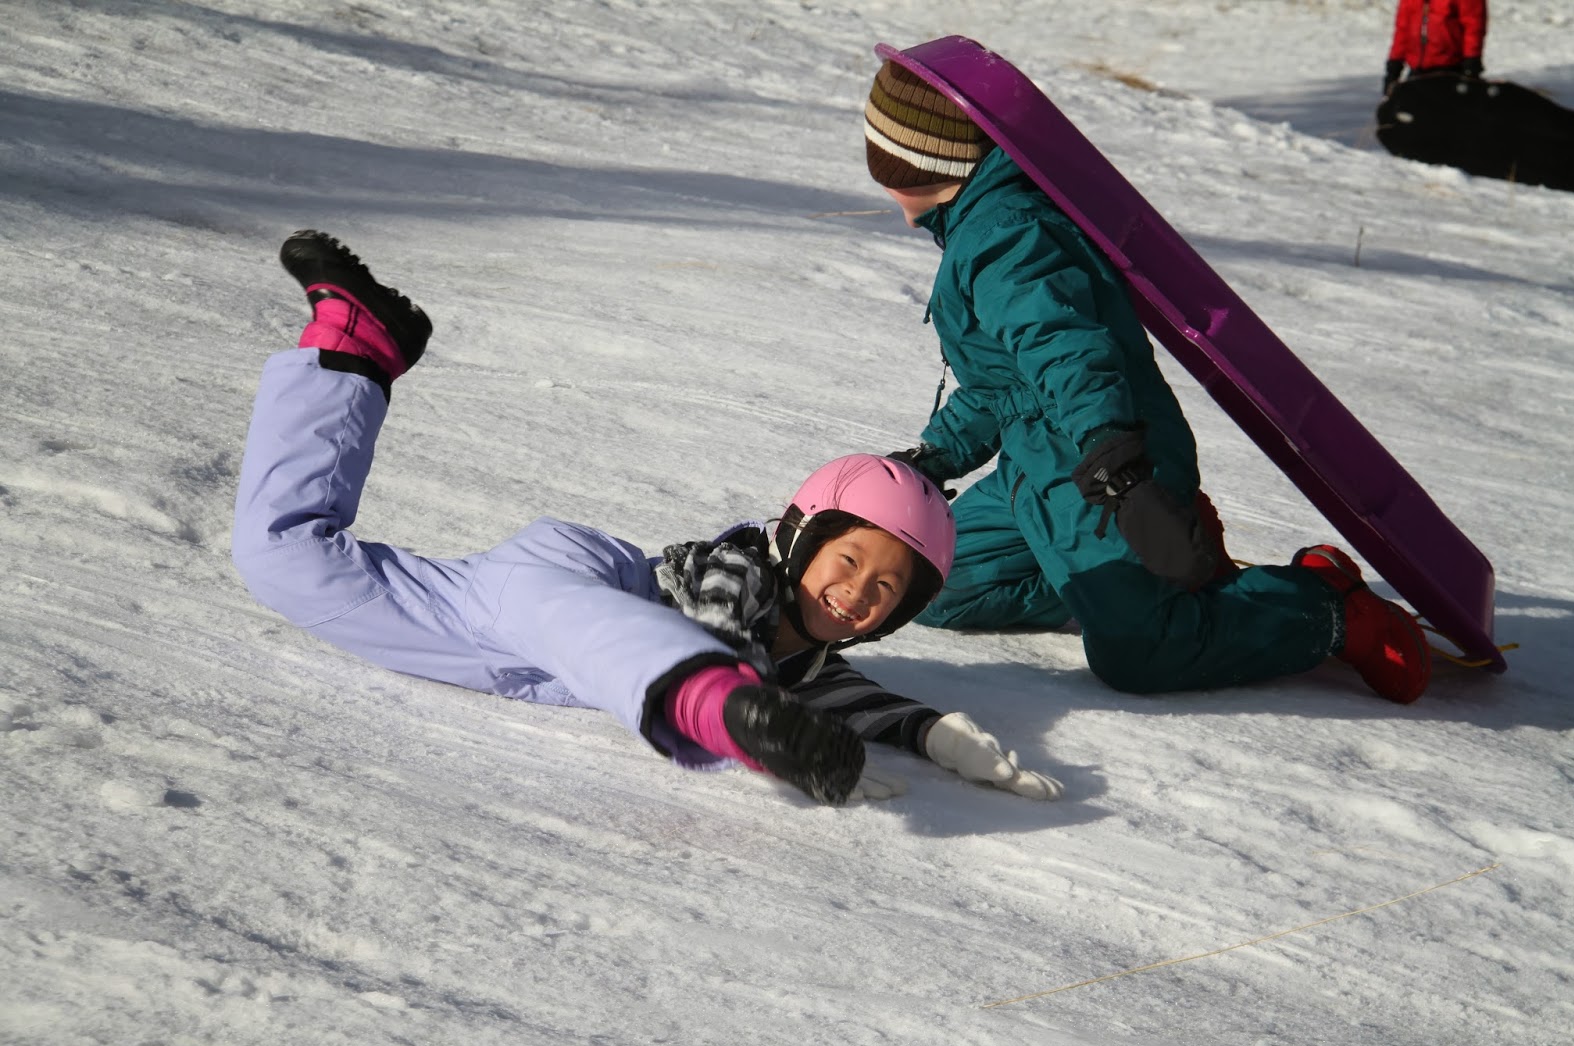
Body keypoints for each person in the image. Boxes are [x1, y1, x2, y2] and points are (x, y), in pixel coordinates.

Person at [232, 231, 1063, 807]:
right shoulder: (742, 573)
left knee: (284, 557)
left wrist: (936, 734)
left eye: (886, 590)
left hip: (524, 650)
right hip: (579, 586)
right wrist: (748, 723)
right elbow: (718, 627)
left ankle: (354, 345)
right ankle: (709, 707)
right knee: (589, 627)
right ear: (800, 539)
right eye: (848, 562)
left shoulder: (807, 664)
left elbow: (853, 699)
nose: (858, 593)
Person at [862, 59, 1432, 704]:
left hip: (1107, 468)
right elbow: (1007, 386)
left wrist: (1116, 465)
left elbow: (1069, 354)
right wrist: (934, 458)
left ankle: (1327, 608)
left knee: (1139, 654)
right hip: (1038, 469)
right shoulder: (979, 230)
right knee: (931, 582)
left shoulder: (1006, 238)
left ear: (919, 167)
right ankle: (1142, 584)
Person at [1385, 0, 1489, 95]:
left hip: (1450, 68)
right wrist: (1394, 65)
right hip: (1418, 70)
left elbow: (1473, 24)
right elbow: (1403, 29)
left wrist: (1472, 59)